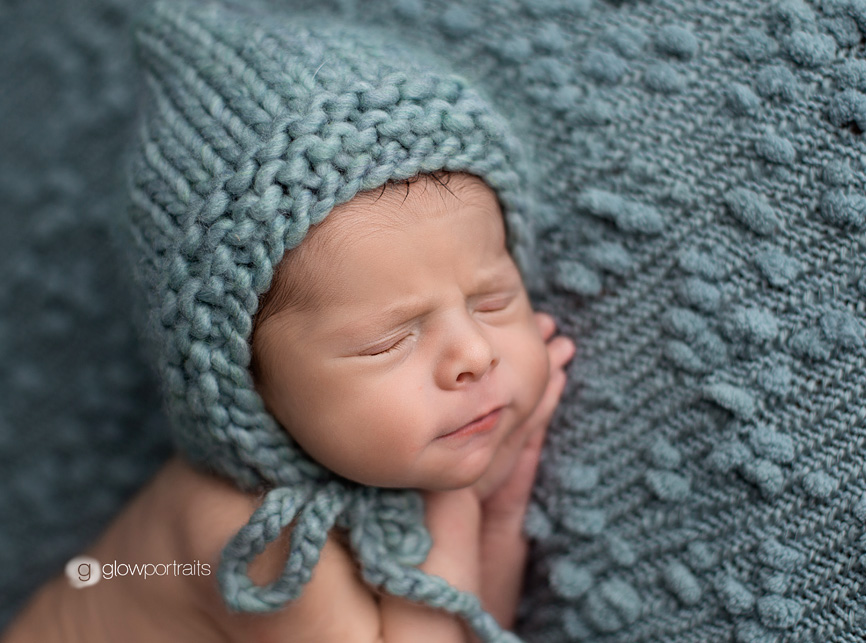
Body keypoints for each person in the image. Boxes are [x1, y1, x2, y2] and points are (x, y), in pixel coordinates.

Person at [2, 2, 574, 642]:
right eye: (388, 342)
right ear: (247, 387)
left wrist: (499, 513)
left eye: (493, 300)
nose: (475, 353)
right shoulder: (259, 546)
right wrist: (455, 513)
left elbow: (475, 627)